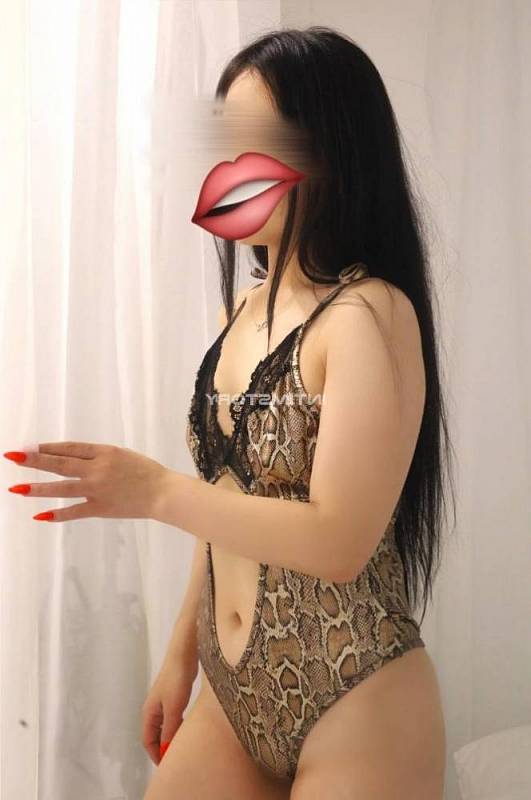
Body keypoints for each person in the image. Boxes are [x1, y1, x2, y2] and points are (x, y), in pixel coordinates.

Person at [142, 26, 454, 800]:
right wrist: (180, 654)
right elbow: (225, 502)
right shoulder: (241, 312)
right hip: (231, 695)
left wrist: (151, 492)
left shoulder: (369, 312)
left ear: (330, 152)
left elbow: (340, 540)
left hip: (354, 693)